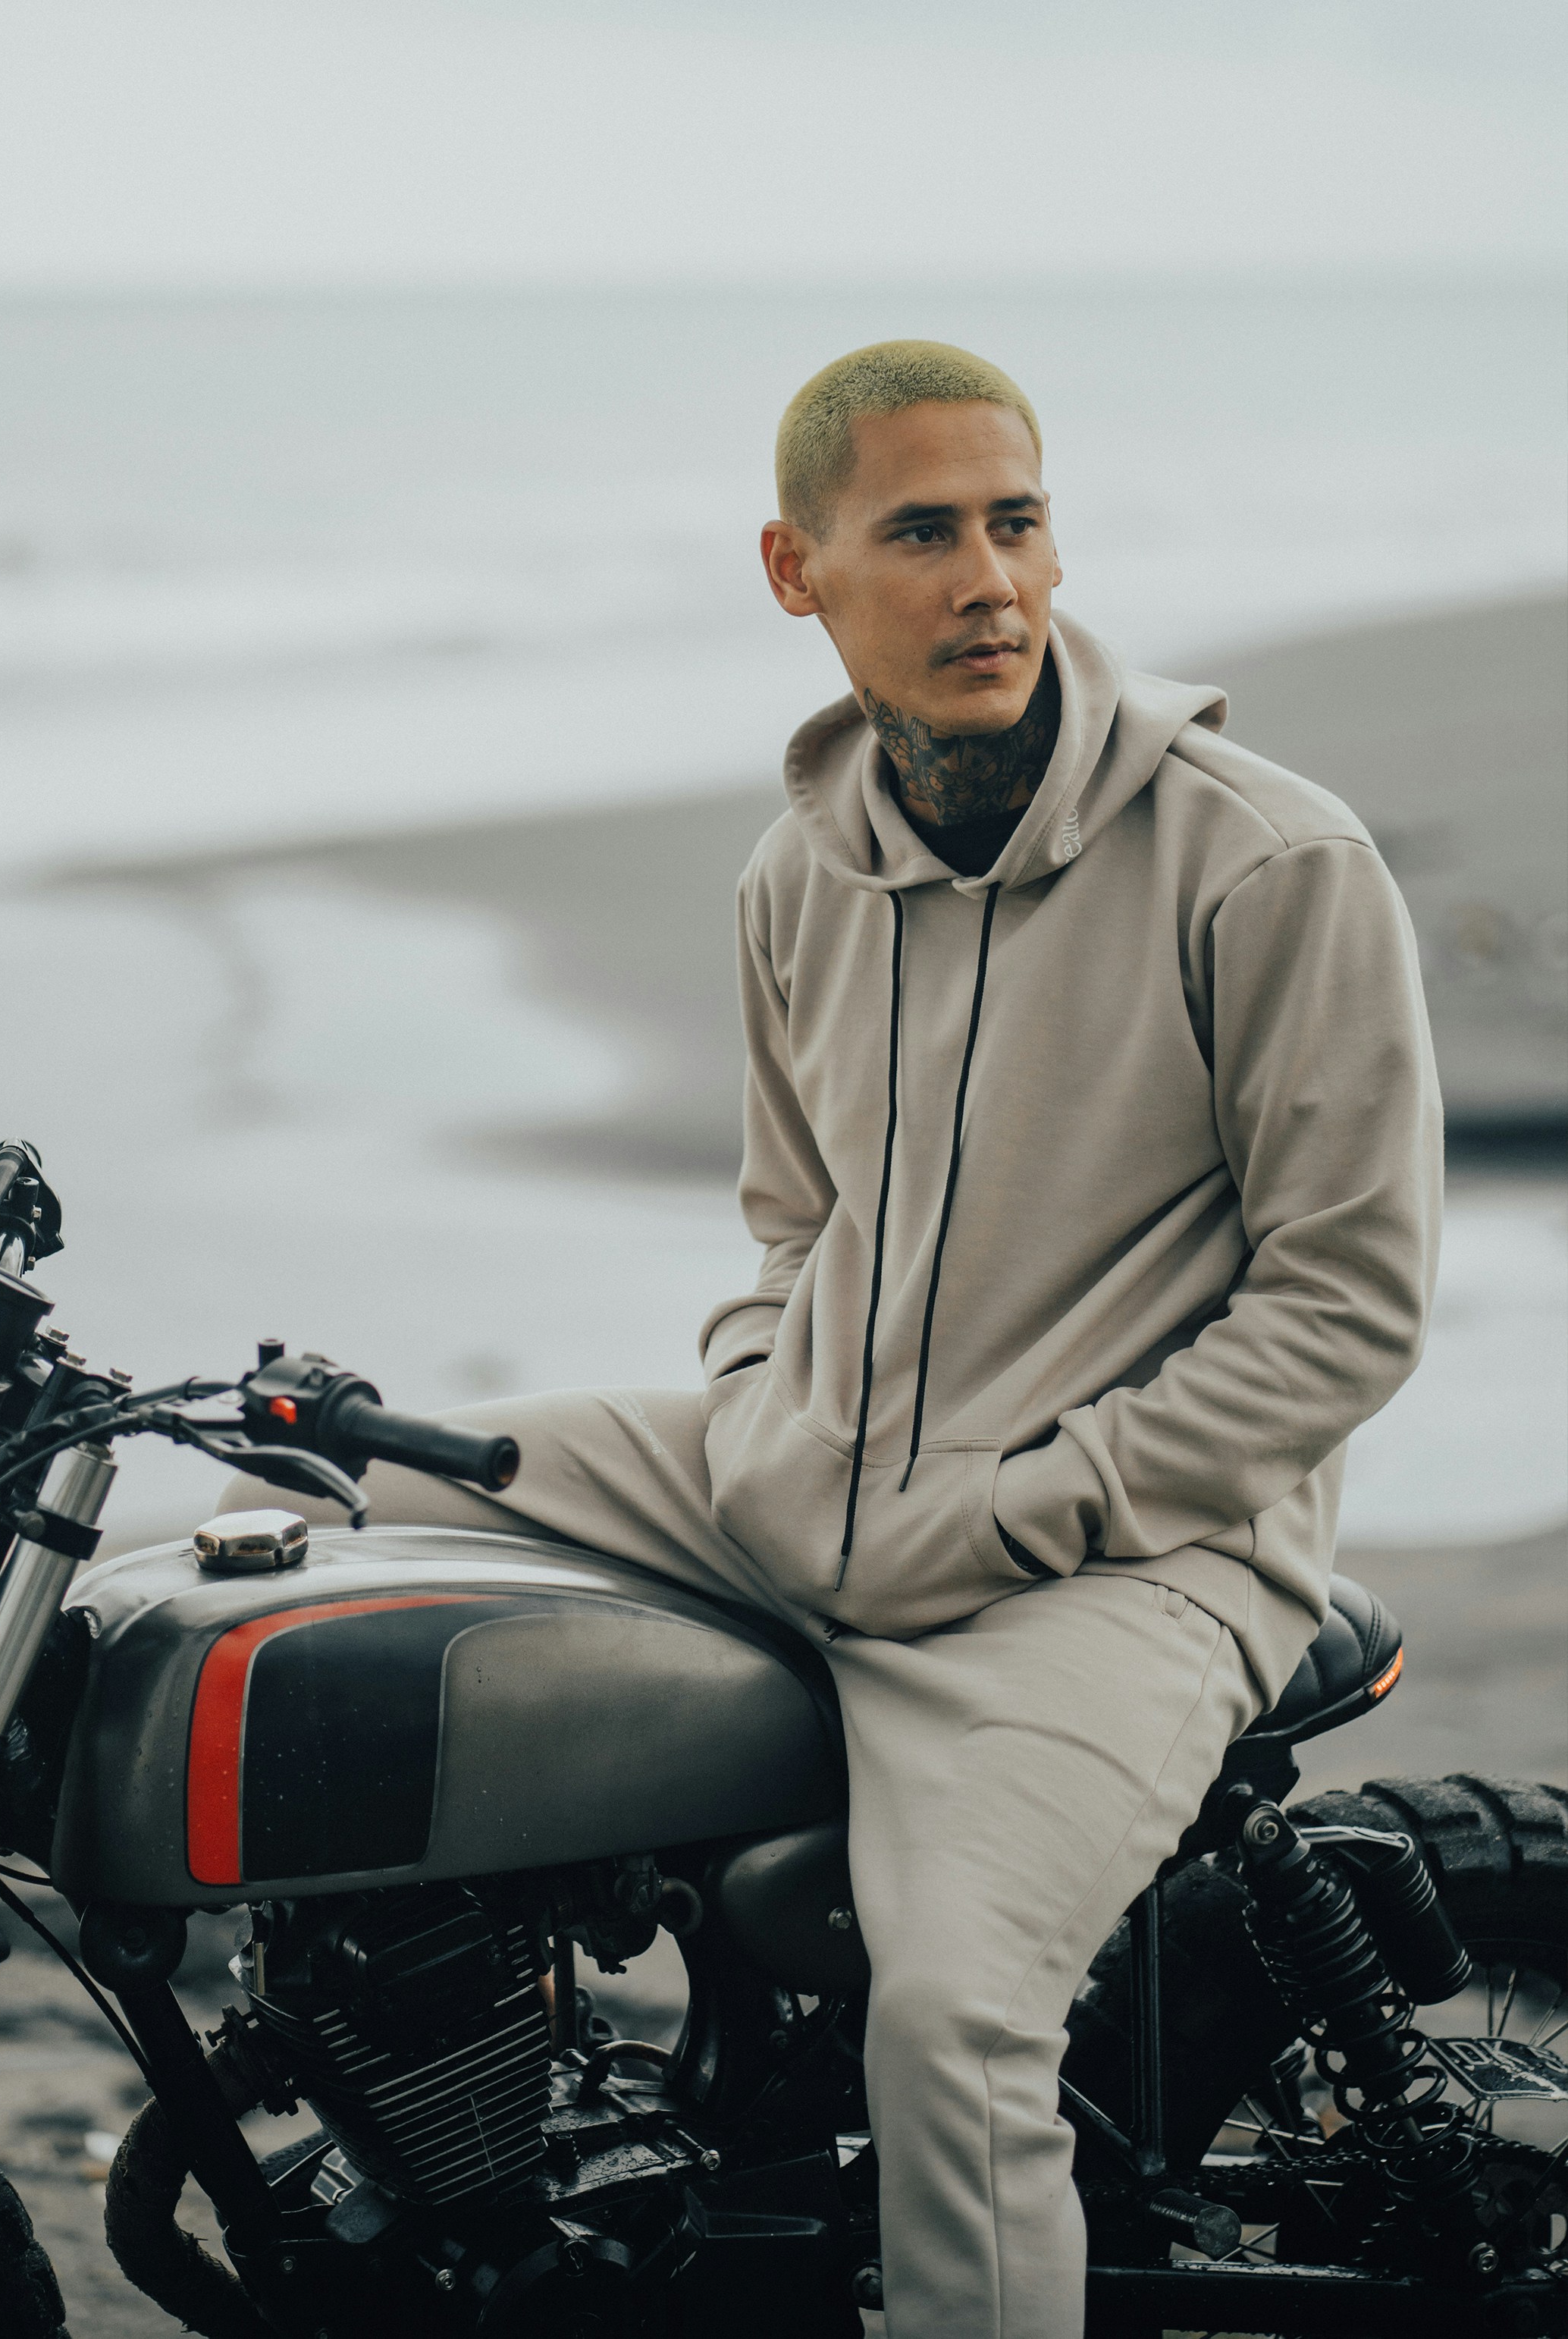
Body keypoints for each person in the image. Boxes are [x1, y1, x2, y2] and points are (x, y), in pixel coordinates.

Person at [226, 340, 1441, 2337]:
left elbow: (1346, 1306)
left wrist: (1033, 1502)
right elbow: (789, 1232)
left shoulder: (1268, 861)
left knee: (959, 2029)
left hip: (1135, 1544)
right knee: (371, 1491)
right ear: (797, 572)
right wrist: (755, 1419)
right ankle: (508, 2063)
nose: (988, 580)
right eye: (921, 532)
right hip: (826, 1463)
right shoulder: (800, 871)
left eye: (1015, 521)